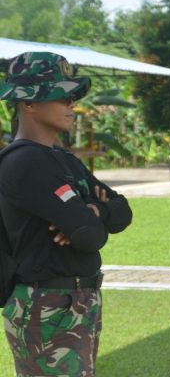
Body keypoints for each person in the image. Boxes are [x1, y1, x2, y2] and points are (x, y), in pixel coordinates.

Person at [0, 52, 133, 376]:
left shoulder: (62, 158)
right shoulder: (26, 162)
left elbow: (123, 211)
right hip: (47, 303)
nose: (72, 103)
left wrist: (94, 208)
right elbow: (90, 237)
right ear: (28, 102)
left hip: (74, 299)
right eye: (62, 95)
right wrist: (94, 214)